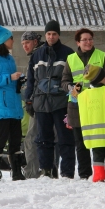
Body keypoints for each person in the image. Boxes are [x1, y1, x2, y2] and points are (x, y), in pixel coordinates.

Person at [61, 28, 105, 179]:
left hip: (98, 105)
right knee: (81, 142)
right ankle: (85, 173)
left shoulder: (102, 56)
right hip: (77, 105)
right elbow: (64, 81)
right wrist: (70, 88)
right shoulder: (71, 59)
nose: (88, 42)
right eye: (84, 40)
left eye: (90, 39)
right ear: (77, 42)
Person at [24, 20, 76, 179]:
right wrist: (28, 100)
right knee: (42, 140)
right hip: (41, 103)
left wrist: (72, 101)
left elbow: (74, 80)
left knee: (65, 139)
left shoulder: (69, 53)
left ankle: (67, 172)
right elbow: (31, 80)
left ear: (58, 35)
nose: (51, 36)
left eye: (54, 33)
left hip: (61, 103)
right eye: (48, 34)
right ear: (45, 35)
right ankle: (46, 171)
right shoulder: (37, 55)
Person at [0, 25, 26, 182]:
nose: (13, 41)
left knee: (16, 139)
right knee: (1, 138)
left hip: (13, 103)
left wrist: (19, 81)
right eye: (11, 38)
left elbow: (10, 80)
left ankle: (17, 172)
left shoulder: (9, 57)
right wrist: (10, 78)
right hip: (1, 104)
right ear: (3, 40)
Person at [20, 31, 45, 178]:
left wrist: (29, 99)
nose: (25, 46)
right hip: (38, 102)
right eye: (23, 44)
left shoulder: (38, 56)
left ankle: (32, 173)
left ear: (35, 42)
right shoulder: (37, 56)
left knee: (31, 138)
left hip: (39, 103)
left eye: (27, 43)